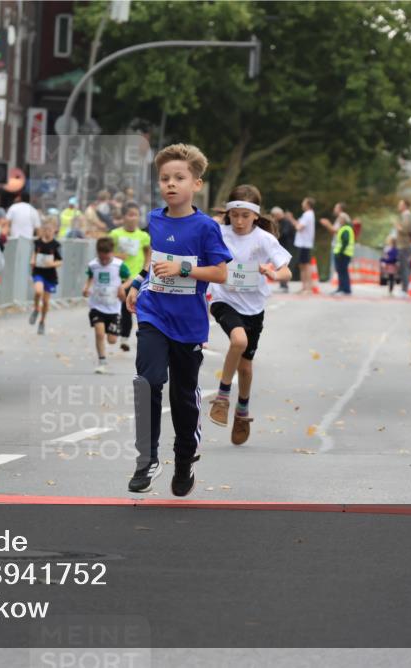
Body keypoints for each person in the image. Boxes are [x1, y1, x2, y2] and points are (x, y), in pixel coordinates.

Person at [124, 143, 231, 497]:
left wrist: (183, 268)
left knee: (183, 396)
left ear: (196, 184)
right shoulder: (155, 219)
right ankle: (148, 459)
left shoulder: (205, 228)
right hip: (154, 311)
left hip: (187, 323)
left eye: (179, 178)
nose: (170, 184)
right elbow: (154, 259)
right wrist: (138, 284)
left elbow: (219, 273)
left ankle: (184, 459)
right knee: (148, 380)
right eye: (165, 178)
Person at [206, 185, 291, 445]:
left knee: (245, 366)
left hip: (254, 308)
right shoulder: (218, 233)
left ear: (255, 215)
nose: (240, 222)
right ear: (228, 214)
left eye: (245, 216)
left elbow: (286, 271)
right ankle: (222, 397)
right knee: (238, 341)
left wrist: (273, 273)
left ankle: (242, 410)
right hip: (224, 299)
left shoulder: (264, 239)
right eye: (235, 216)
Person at [83, 237, 132, 374]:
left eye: (106, 258)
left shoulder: (119, 265)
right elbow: (90, 278)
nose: (104, 261)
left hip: (114, 307)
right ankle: (102, 361)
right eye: (101, 258)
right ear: (97, 253)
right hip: (97, 305)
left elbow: (129, 279)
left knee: (111, 340)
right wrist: (86, 288)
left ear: (112, 252)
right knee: (99, 333)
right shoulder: (93, 264)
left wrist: (122, 287)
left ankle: (112, 331)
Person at [109, 202, 151, 352]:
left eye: (136, 215)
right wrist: (117, 255)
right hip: (115, 276)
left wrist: (144, 271)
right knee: (116, 307)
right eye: (130, 214)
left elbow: (148, 254)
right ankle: (113, 328)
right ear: (123, 217)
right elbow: (105, 254)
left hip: (134, 278)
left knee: (127, 309)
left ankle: (125, 338)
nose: (133, 218)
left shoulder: (143, 236)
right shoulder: (115, 234)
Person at [28, 220, 62, 335]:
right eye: (45, 230)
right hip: (38, 272)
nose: (47, 232)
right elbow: (34, 254)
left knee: (46, 302)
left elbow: (60, 261)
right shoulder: (37, 243)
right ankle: (36, 308)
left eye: (50, 230)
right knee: (38, 291)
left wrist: (52, 264)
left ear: (54, 231)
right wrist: (32, 260)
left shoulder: (56, 245)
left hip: (50, 275)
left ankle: (42, 321)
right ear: (42, 231)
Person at [293, 197, 316, 294]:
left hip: (304, 244)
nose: (302, 204)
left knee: (306, 266)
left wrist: (291, 220)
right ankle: (304, 287)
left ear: (308, 204)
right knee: (302, 266)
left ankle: (308, 288)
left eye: (304, 202)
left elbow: (299, 227)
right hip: (303, 243)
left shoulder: (308, 214)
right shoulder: (307, 214)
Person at [331, 206, 355, 296]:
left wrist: (340, 252)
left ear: (344, 220)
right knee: (341, 271)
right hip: (343, 253)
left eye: (340, 219)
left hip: (343, 254)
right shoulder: (346, 228)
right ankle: (342, 288)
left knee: (342, 271)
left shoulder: (346, 229)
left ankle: (344, 289)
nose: (339, 221)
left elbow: (345, 241)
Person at [395, 199, 411, 296]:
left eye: (400, 204)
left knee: (405, 267)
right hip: (403, 244)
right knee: (403, 267)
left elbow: (406, 229)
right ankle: (404, 288)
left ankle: (405, 289)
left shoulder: (407, 216)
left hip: (405, 245)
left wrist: (398, 226)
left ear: (404, 206)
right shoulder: (404, 216)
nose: (398, 206)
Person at [275, 207, 297, 292]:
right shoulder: (279, 222)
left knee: (283, 265)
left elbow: (285, 233)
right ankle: (282, 284)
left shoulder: (286, 222)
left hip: (286, 247)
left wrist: (275, 236)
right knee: (279, 265)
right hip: (282, 246)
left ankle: (284, 285)